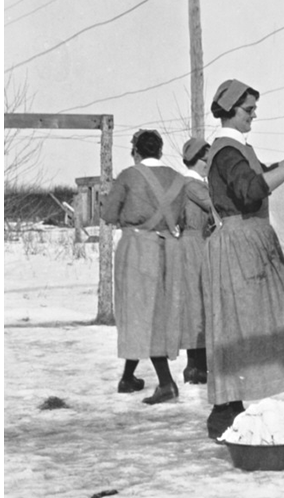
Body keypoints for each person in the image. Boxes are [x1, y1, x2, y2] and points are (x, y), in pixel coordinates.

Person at [202, 79, 284, 438]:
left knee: (247, 325)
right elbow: (253, 189)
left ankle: (230, 411)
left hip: (247, 241)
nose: (253, 115)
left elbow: (257, 177)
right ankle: (225, 412)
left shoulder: (238, 150)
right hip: (240, 244)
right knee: (243, 325)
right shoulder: (227, 152)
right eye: (248, 110)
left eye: (254, 108)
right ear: (230, 111)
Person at [101, 129, 187, 405]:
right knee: (156, 312)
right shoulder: (178, 179)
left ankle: (166, 383)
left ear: (136, 152)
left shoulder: (128, 176)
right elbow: (182, 218)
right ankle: (128, 377)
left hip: (136, 249)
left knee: (138, 313)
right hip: (169, 250)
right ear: (161, 151)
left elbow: (108, 215)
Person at [178, 137, 213, 385]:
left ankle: (198, 364)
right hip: (195, 245)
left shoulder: (189, 184)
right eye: (205, 159)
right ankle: (196, 365)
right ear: (195, 161)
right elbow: (216, 205)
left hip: (195, 243)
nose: (208, 164)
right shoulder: (193, 185)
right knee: (198, 303)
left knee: (197, 303)